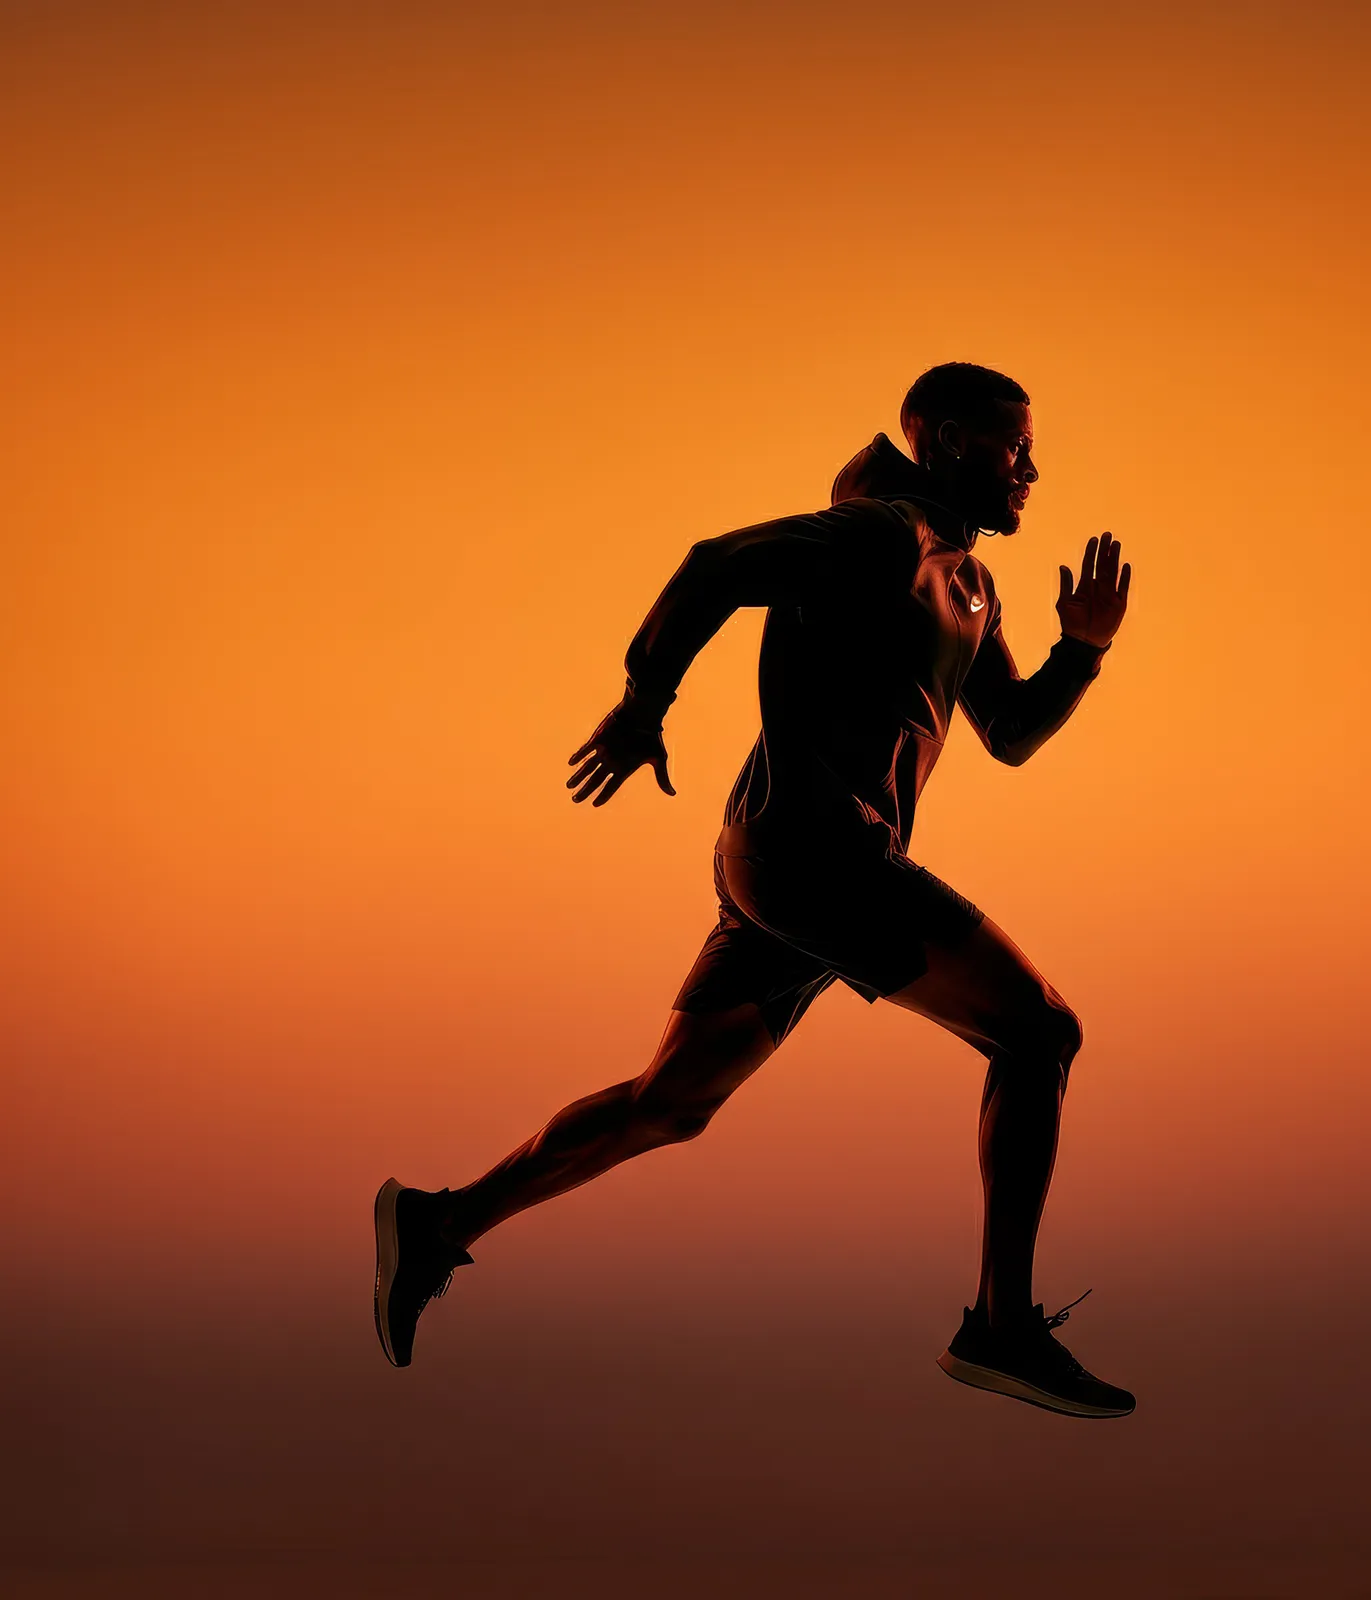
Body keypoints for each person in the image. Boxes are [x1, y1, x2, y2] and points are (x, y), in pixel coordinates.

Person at [373, 362, 1135, 1417]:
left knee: (670, 1103)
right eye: (1015, 447)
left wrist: (1081, 651)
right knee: (1037, 1032)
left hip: (789, 870)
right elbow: (714, 564)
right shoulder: (882, 537)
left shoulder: (967, 582)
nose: (1032, 470)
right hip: (820, 855)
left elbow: (1008, 734)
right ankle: (999, 1326)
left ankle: (437, 1224)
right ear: (953, 441)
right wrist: (644, 702)